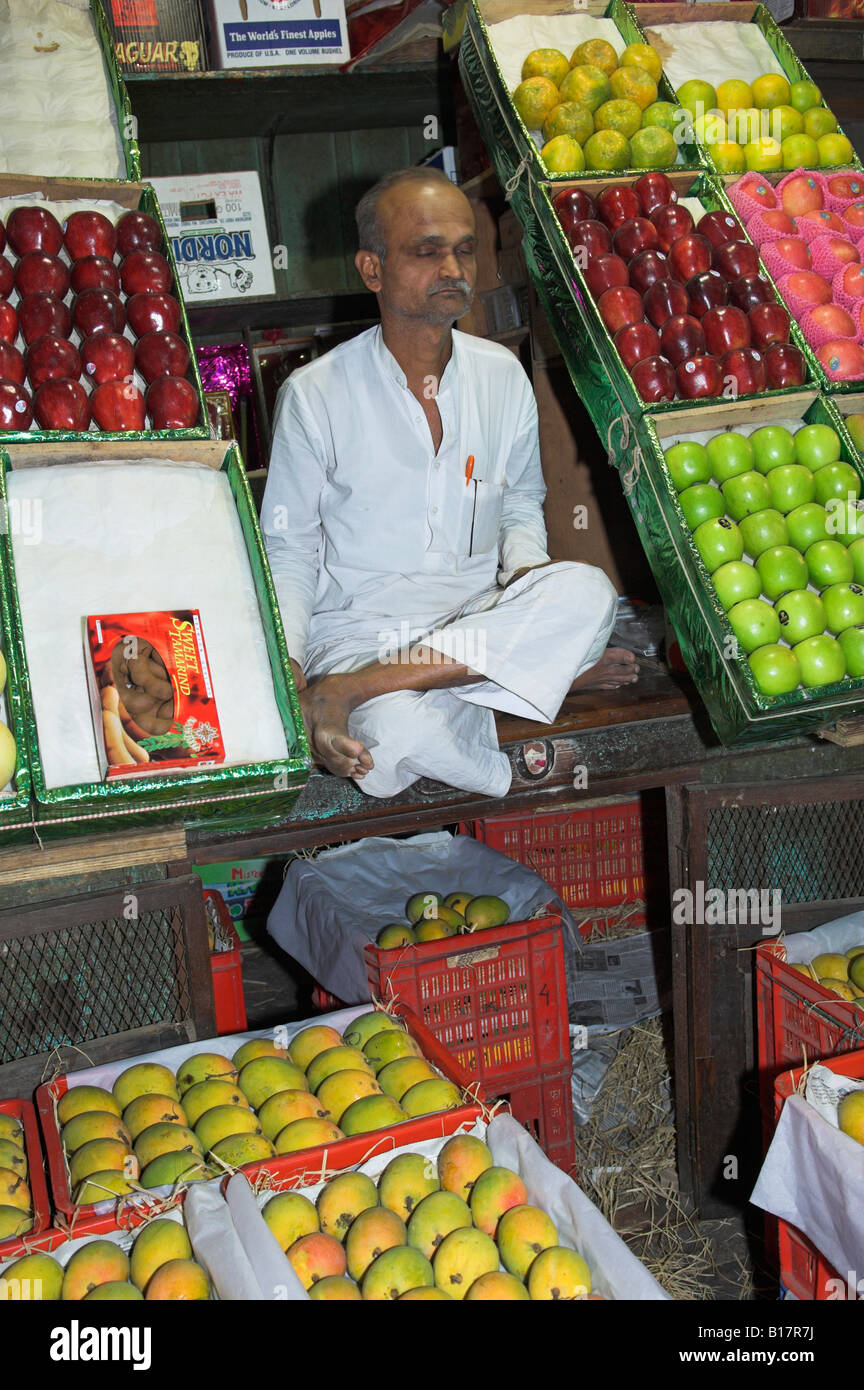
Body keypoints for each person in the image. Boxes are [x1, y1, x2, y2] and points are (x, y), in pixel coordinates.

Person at [261, 166, 637, 799]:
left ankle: (359, 692)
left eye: (465, 250)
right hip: (361, 634)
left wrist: (525, 586)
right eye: (426, 251)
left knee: (586, 592)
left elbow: (520, 504)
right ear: (372, 270)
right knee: (390, 744)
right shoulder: (315, 394)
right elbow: (291, 547)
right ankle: (519, 674)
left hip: (473, 618)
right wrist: (292, 675)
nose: (454, 270)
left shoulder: (502, 375)